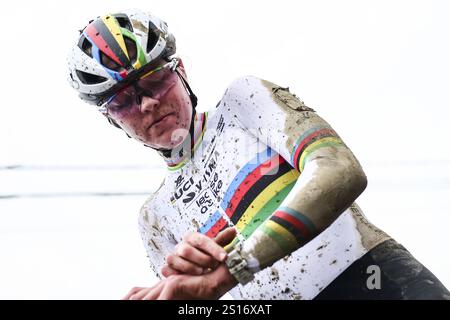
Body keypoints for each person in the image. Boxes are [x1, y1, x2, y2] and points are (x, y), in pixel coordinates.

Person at [67, 9, 450, 300]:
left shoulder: (241, 103)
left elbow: (339, 170)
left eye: (156, 79)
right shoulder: (154, 218)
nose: (149, 103)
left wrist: (235, 266)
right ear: (110, 119)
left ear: (180, 69)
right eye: (124, 101)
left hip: (372, 280)